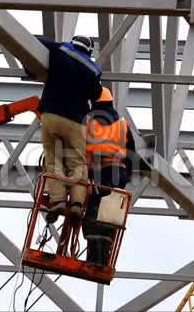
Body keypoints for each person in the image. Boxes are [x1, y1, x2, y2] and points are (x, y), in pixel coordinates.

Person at [25, 35, 103, 222]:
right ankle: (76, 203)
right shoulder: (93, 69)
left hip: (50, 115)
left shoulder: (59, 50)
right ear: (89, 51)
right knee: (77, 162)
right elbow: (97, 94)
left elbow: (34, 39)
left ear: (73, 42)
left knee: (52, 161)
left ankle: (58, 201)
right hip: (75, 121)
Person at [82, 87, 135, 266]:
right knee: (110, 216)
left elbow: (79, 147)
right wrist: (126, 176)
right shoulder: (122, 123)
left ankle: (93, 260)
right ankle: (103, 260)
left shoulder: (88, 121)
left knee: (93, 214)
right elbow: (131, 153)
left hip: (99, 172)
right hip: (117, 174)